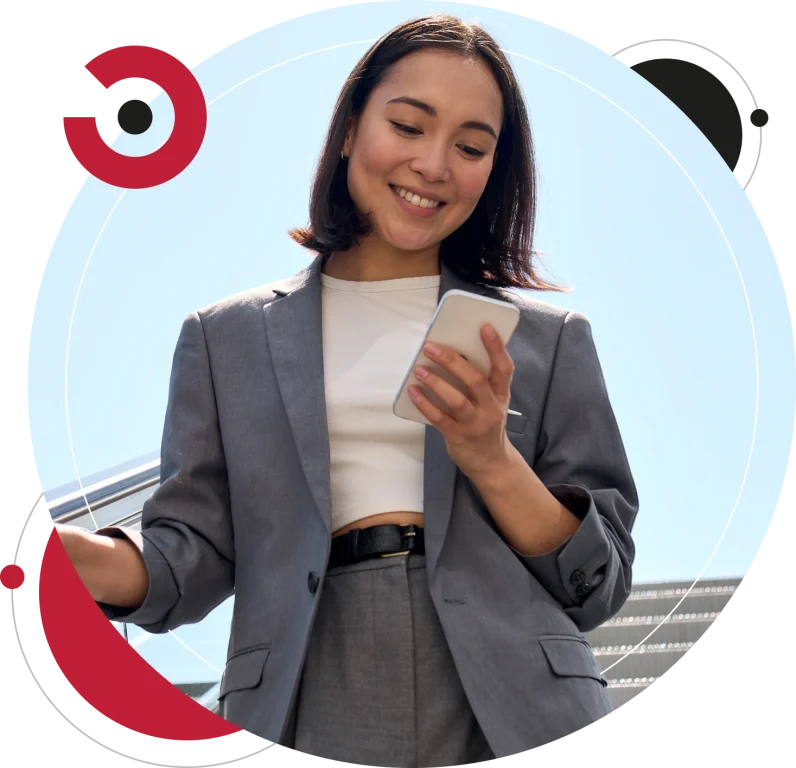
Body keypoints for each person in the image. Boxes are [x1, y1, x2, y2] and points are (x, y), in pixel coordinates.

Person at [55, 14, 639, 763]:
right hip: (304, 680)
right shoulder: (223, 337)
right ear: (347, 131)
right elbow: (191, 553)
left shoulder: (548, 339)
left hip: (511, 695)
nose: (433, 164)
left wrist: (489, 458)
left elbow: (599, 581)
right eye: (407, 125)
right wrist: (73, 557)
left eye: (470, 147)